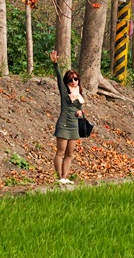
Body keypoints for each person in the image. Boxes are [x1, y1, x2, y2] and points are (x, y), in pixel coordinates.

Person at [49, 49, 84, 185]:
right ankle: (59, 178)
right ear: (67, 81)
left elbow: (80, 110)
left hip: (74, 125)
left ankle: (65, 176)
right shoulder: (65, 92)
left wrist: (81, 113)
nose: (74, 81)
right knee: (60, 152)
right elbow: (59, 78)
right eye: (70, 80)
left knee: (70, 154)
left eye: (76, 79)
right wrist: (55, 64)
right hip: (64, 124)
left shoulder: (80, 95)